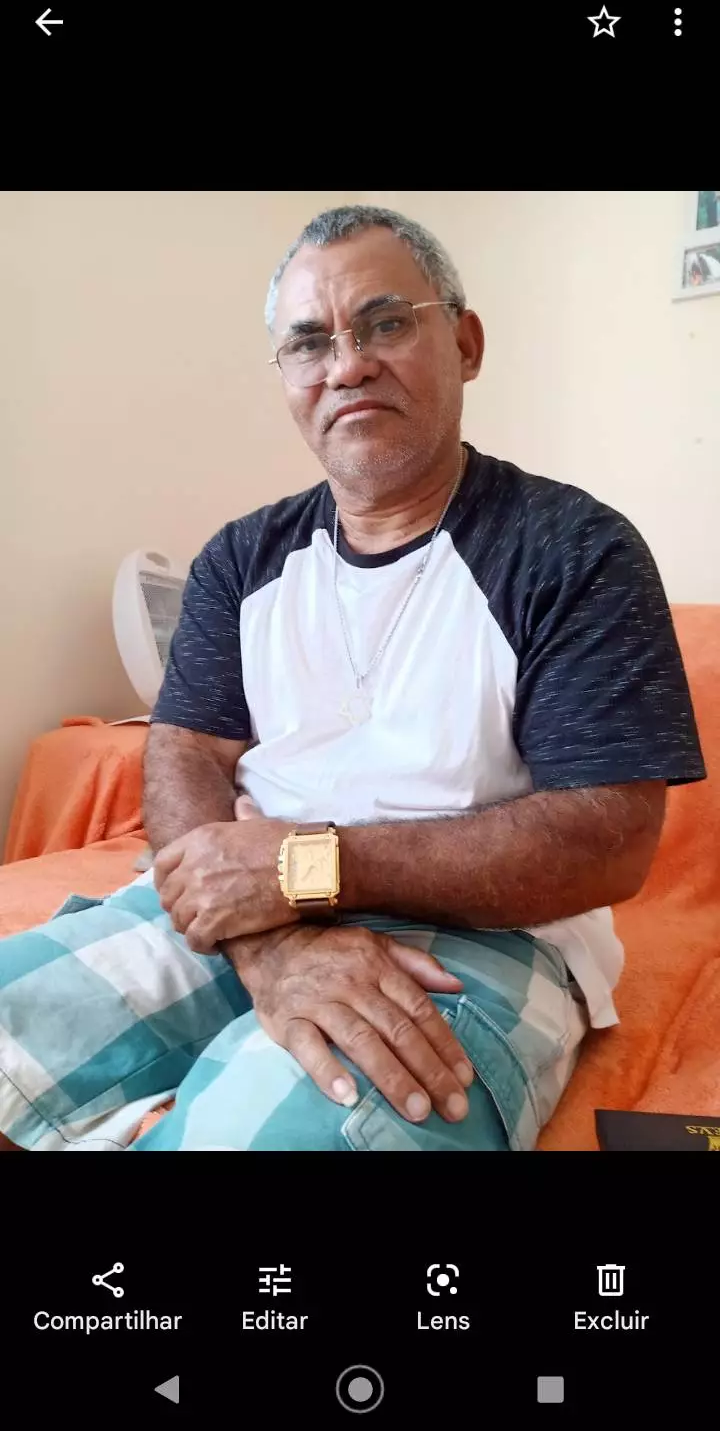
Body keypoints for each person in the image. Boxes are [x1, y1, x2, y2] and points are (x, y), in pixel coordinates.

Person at [0, 204, 706, 1152]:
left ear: (465, 344)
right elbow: (184, 751)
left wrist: (299, 869)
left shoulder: (577, 550)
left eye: (385, 323)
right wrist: (268, 942)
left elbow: (605, 841)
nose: (347, 366)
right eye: (309, 343)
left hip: (486, 937)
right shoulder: (240, 559)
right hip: (242, 910)